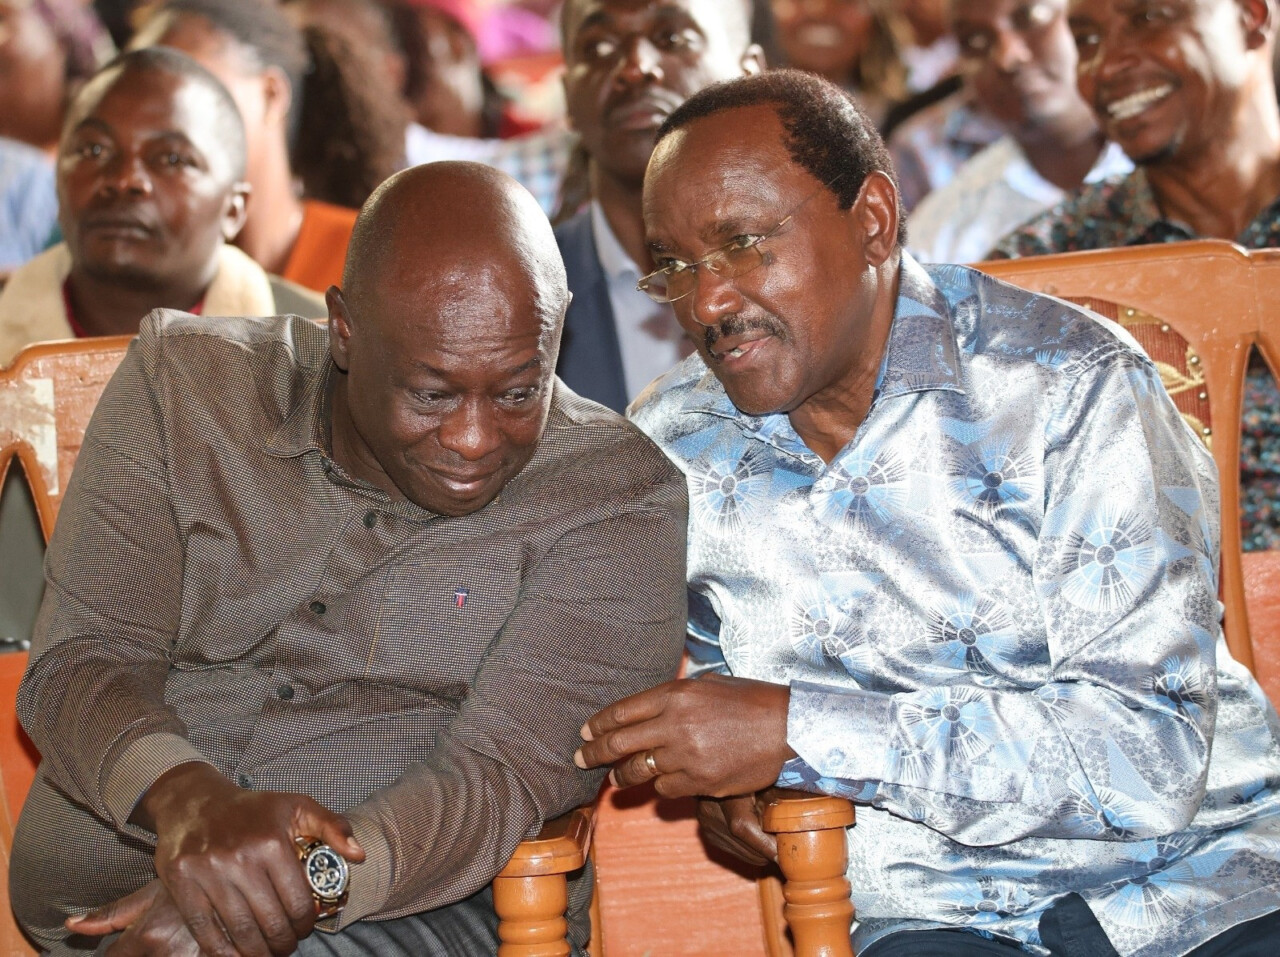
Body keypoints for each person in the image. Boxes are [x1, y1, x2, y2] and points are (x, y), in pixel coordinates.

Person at [574, 69, 1280, 956]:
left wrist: (798, 731)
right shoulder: (675, 448)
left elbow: (1148, 754)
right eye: (675, 267)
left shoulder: (1069, 386)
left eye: (743, 244)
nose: (706, 301)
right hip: (940, 915)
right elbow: (716, 679)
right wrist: (735, 779)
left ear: (873, 220)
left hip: (1202, 886)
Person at [10, 160, 688, 955]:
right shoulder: (185, 387)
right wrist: (190, 802)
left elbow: (497, 780)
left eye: (517, 391)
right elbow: (82, 662)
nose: (474, 439)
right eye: (432, 394)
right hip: (92, 915)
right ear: (343, 328)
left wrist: (280, 887)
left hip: (414, 908)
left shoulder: (616, 496)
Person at [992, 0, 1279, 552]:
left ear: (1250, 16)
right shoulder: (1046, 271)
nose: (1107, 65)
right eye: (1087, 40)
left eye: (1148, 18)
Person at [0, 48, 323, 366]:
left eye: (171, 158)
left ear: (234, 210)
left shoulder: (319, 347)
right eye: (93, 150)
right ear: (57, 180)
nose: (124, 179)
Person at [555, 0, 765, 413]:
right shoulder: (523, 294)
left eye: (671, 38)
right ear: (567, 98)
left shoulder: (825, 268)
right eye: (599, 47)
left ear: (750, 74)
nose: (635, 68)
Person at [129, 0, 365, 294]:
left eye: (195, 94)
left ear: (271, 95)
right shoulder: (136, 274)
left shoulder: (369, 256)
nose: (167, 125)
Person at [907, 0, 1130, 263]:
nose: (1007, 56)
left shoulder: (1165, 167)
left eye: (1032, 17)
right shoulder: (941, 242)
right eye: (975, 41)